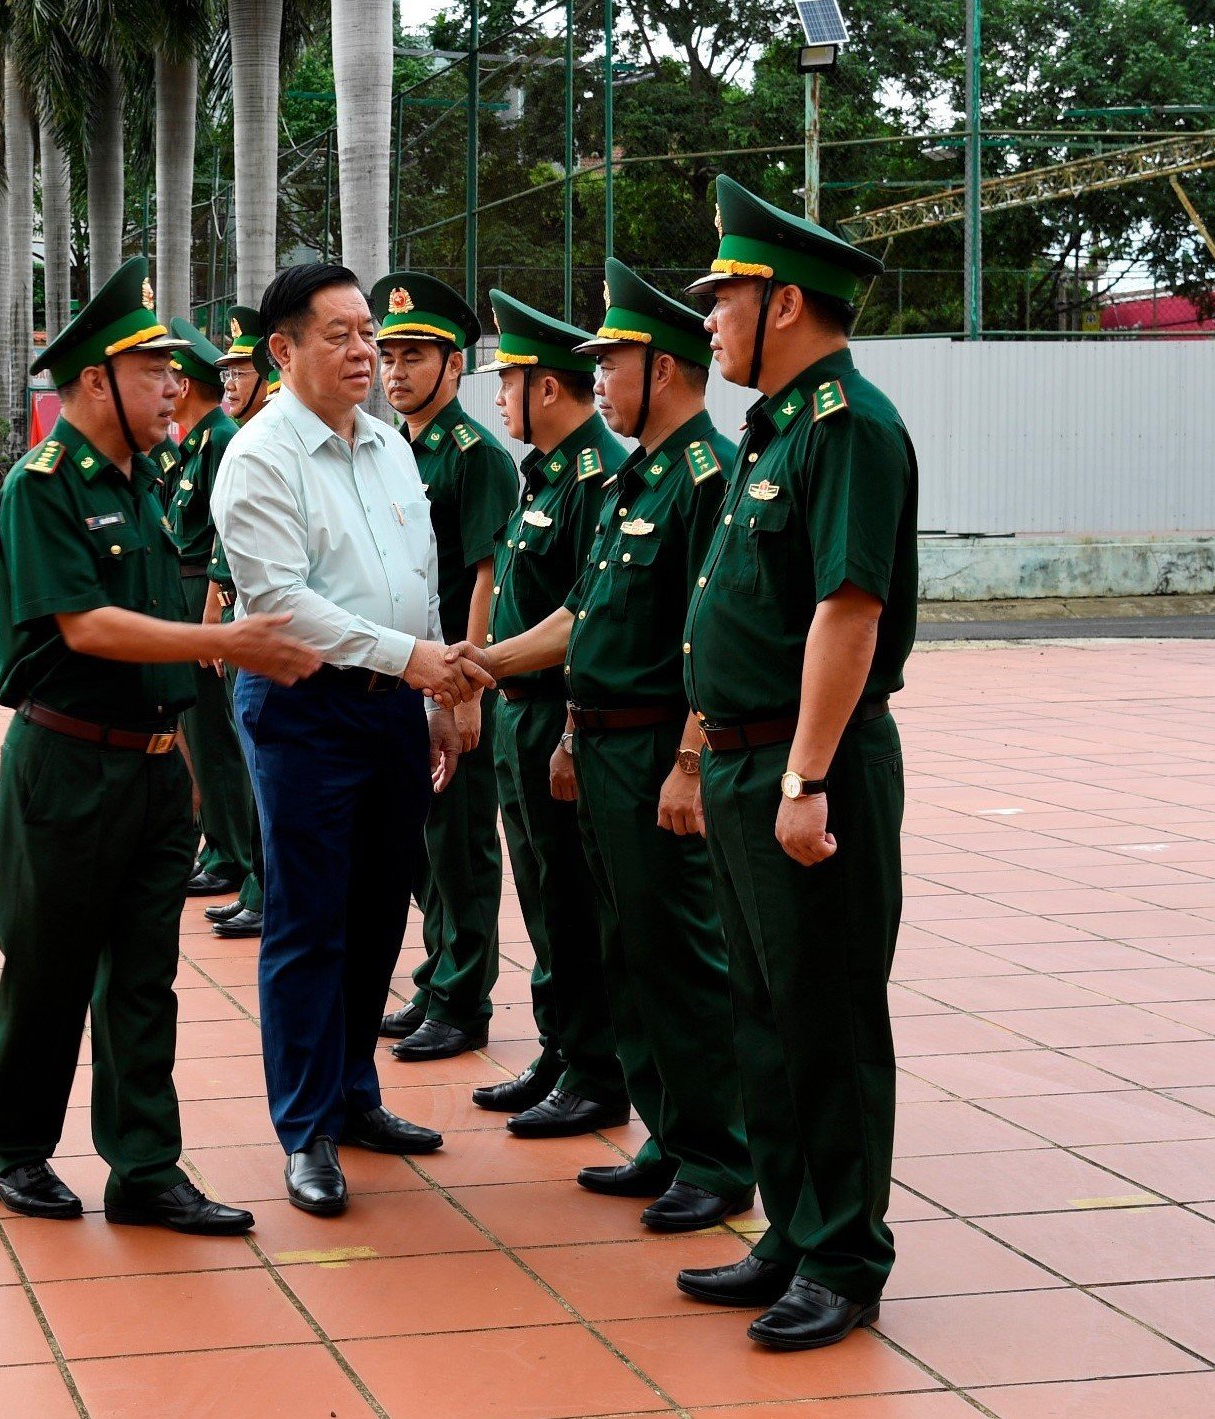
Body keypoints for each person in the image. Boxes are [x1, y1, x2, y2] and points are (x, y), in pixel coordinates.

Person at [0, 257, 323, 1239]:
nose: (175, 386)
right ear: (97, 382)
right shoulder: (44, 488)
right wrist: (224, 643)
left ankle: (143, 1165)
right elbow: (85, 626)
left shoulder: (145, 479)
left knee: (141, 975)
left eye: (173, 370)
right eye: (153, 369)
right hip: (67, 763)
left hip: (152, 765)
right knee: (47, 970)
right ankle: (15, 1149)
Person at [450, 259, 754, 1234]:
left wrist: (689, 760)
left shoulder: (702, 477)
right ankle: (669, 1136)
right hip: (604, 744)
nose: (598, 381)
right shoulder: (641, 480)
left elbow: (710, 635)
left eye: (610, 362)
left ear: (656, 369)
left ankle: (716, 1155)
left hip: (658, 753)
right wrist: (483, 663)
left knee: (679, 958)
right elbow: (584, 618)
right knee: (628, 952)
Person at [671, 175, 915, 1350]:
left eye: (725, 297)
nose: (708, 316)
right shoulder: (772, 429)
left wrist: (806, 779)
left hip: (803, 768)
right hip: (737, 763)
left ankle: (843, 1257)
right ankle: (788, 1225)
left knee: (824, 1014)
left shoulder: (849, 428)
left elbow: (847, 612)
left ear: (785, 303)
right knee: (758, 1010)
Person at [210, 263, 488, 1217]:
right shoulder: (259, 458)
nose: (366, 350)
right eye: (341, 334)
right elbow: (284, 605)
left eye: (369, 332)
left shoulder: (390, 448)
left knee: (377, 911)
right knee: (306, 918)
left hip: (394, 707)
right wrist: (413, 658)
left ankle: (354, 1095)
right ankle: (306, 1129)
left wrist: (436, 690)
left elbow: (422, 570)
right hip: (305, 709)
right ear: (283, 350)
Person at [465, 290, 634, 1140]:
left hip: (557, 714)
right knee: (538, 892)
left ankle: (597, 1069)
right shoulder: (545, 470)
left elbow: (584, 617)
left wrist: (558, 720)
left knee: (573, 898)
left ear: (551, 389)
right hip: (515, 713)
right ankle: (559, 1048)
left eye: (511, 383)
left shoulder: (598, 478)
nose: (499, 399)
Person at [367, 272, 516, 1063]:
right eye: (388, 354)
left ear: (454, 367)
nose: (396, 371)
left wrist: (466, 688)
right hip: (409, 674)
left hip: (453, 676)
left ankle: (464, 1000)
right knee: (424, 844)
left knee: (461, 846)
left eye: (415, 355)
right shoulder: (394, 449)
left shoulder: (474, 454)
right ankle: (436, 977)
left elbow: (487, 572)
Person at [161, 317, 265, 940]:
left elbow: (226, 529)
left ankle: (236, 856)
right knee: (202, 732)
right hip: (190, 586)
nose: (168, 387)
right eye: (223, 372)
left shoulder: (222, 439)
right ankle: (224, 849)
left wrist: (211, 606)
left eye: (238, 372)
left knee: (221, 741)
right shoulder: (198, 443)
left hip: (208, 589)